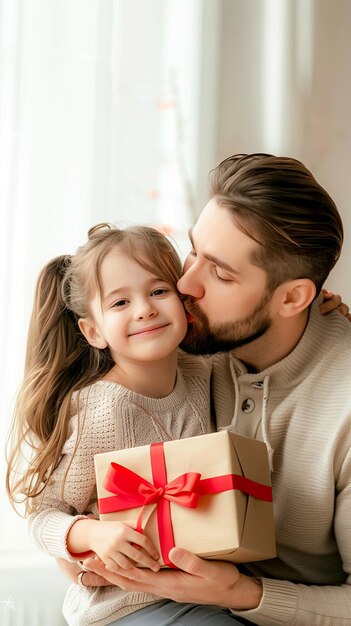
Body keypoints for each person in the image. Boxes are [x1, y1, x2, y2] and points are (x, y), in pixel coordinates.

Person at [68, 153, 351, 626]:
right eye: (193, 249)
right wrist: (83, 548)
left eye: (220, 273)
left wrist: (242, 593)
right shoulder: (186, 341)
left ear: (293, 297)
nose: (184, 283)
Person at [6, 224, 217, 625]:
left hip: (207, 592)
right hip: (128, 607)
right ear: (93, 331)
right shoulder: (103, 410)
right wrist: (94, 535)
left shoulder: (206, 374)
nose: (145, 309)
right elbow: (43, 515)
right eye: (120, 303)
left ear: (183, 299)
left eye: (158, 291)